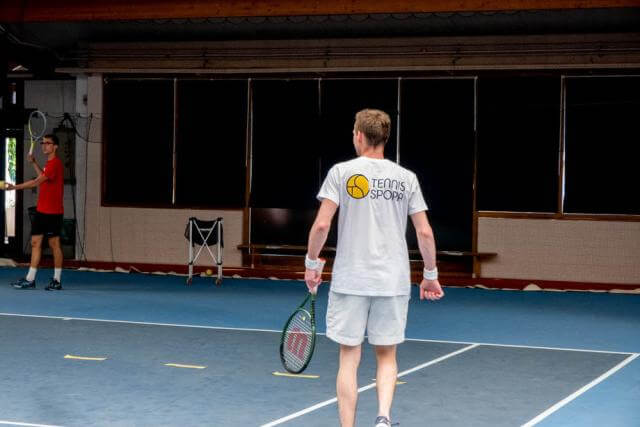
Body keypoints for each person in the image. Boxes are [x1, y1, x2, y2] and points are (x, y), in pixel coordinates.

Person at [304, 109, 444, 427]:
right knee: (386, 355)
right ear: (384, 138)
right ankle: (383, 418)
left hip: (350, 279)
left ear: (359, 136)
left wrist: (312, 264)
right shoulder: (406, 178)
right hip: (392, 281)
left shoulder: (341, 172)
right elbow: (424, 232)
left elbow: (322, 224)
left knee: (349, 357)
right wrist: (430, 275)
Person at [7, 133, 64, 291]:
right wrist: (34, 163)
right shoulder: (48, 164)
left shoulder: (56, 164)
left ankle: (57, 281)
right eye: (43, 143)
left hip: (53, 212)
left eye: (47, 143)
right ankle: (30, 279)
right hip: (41, 211)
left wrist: (14, 187)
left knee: (54, 245)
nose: (44, 145)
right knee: (35, 243)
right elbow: (43, 176)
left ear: (55, 147)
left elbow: (37, 182)